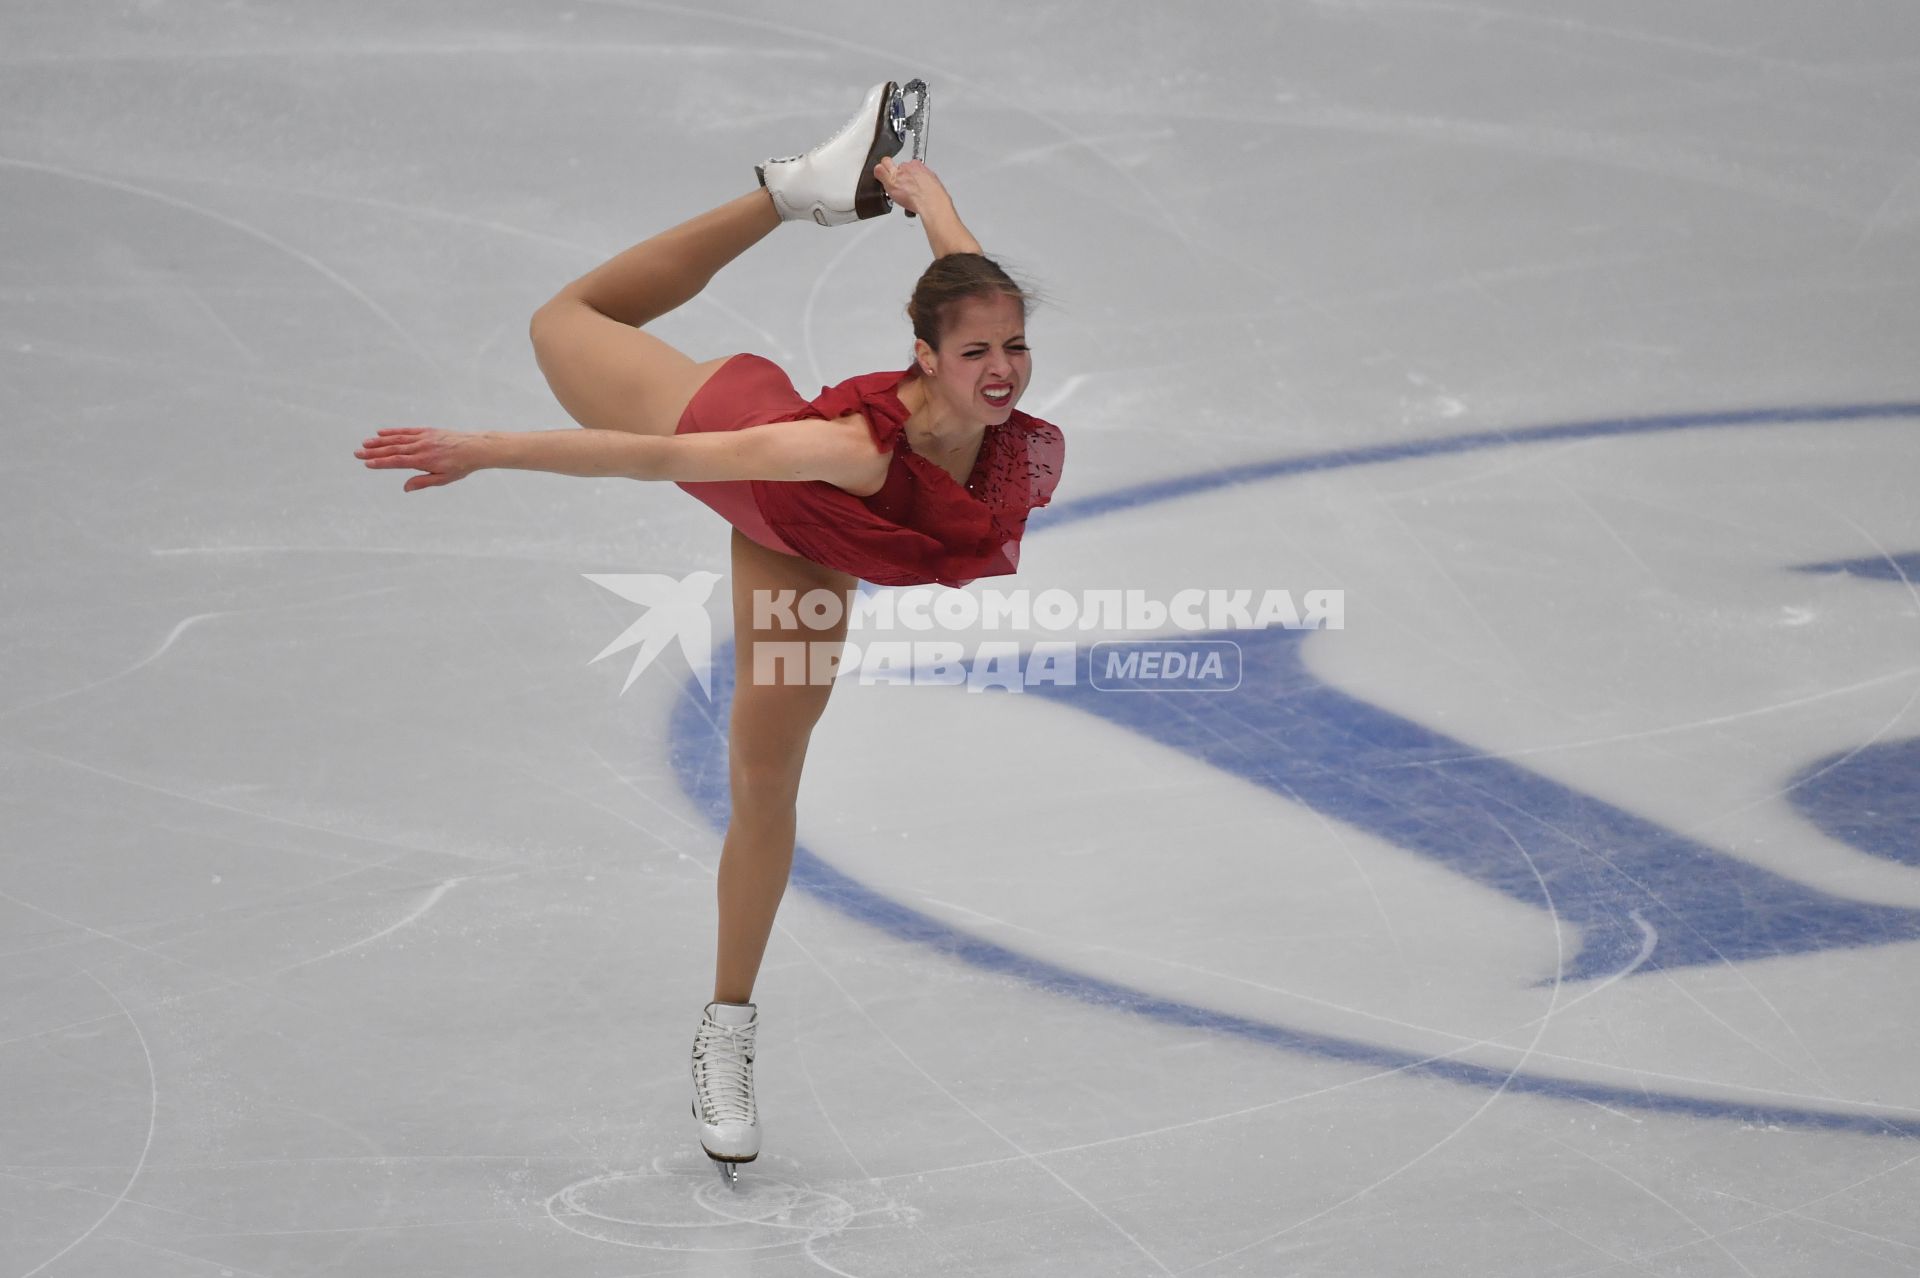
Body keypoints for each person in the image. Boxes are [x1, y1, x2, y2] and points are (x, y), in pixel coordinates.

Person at [353, 80, 1064, 1182]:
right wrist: (487, 445)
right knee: (563, 328)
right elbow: (657, 461)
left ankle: (726, 1023)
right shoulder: (848, 448)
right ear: (924, 357)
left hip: (805, 549)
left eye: (1013, 348)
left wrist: (928, 193)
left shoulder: (977, 356)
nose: (1004, 372)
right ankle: (784, 198)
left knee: (766, 777)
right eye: (976, 355)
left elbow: (963, 268)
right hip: (742, 445)